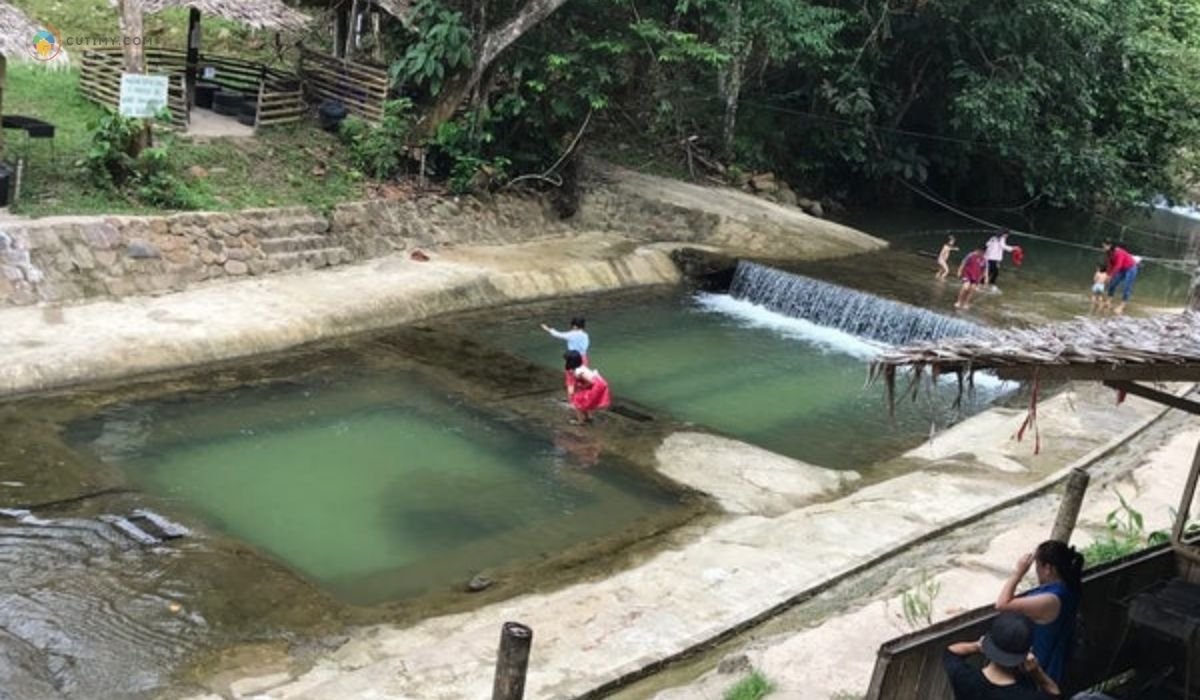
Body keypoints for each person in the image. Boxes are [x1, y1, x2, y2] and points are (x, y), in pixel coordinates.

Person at [995, 540, 1084, 685]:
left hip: (1040, 670)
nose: (1036, 571)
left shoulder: (1050, 600)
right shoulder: (1069, 586)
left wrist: (1018, 573)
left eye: (1037, 566)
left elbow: (1002, 604)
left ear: (1048, 568)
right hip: (1055, 663)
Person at [943, 612, 1062, 699]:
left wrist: (978, 645)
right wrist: (1037, 672)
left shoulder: (964, 678)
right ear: (1028, 653)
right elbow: (1055, 693)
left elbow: (951, 652)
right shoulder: (1027, 696)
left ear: (989, 644)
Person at [542, 317, 590, 395]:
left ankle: (572, 401)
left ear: (575, 326)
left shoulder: (571, 334)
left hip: (572, 359)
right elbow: (585, 347)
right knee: (582, 378)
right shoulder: (586, 335)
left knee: (570, 380)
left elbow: (558, 334)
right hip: (583, 358)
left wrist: (547, 329)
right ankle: (582, 397)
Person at [564, 350, 611, 424]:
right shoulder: (581, 367)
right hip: (599, 383)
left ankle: (580, 421)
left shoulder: (578, 372)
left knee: (577, 401)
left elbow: (591, 382)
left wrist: (583, 387)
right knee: (582, 400)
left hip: (596, 385)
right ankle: (588, 417)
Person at [1101, 240, 1139, 315]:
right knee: (1112, 284)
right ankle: (1108, 301)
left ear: (1110, 246)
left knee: (1126, 287)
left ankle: (1122, 306)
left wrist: (1111, 275)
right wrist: (1108, 275)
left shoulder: (1119, 252)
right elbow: (1110, 264)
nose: (1103, 248)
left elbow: (1118, 265)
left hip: (1130, 268)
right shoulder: (1108, 253)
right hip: (1122, 269)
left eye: (1105, 246)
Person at [955, 245, 988, 310]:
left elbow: (985, 270)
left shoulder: (984, 260)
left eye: (983, 252)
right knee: (965, 287)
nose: (981, 253)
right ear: (978, 250)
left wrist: (986, 278)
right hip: (967, 274)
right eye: (980, 251)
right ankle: (959, 301)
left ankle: (966, 303)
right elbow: (963, 263)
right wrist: (959, 270)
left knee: (972, 289)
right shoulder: (971, 255)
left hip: (976, 277)